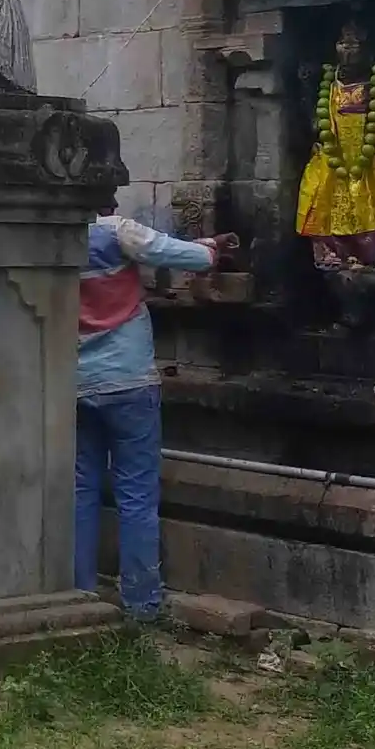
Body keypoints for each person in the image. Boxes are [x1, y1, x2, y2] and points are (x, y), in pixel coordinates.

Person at [75, 213, 235, 621]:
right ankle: (141, 603)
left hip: (74, 383)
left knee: (79, 493)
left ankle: (78, 595)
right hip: (128, 382)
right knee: (136, 496)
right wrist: (211, 248)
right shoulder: (116, 230)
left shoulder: (50, 235)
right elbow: (185, 257)